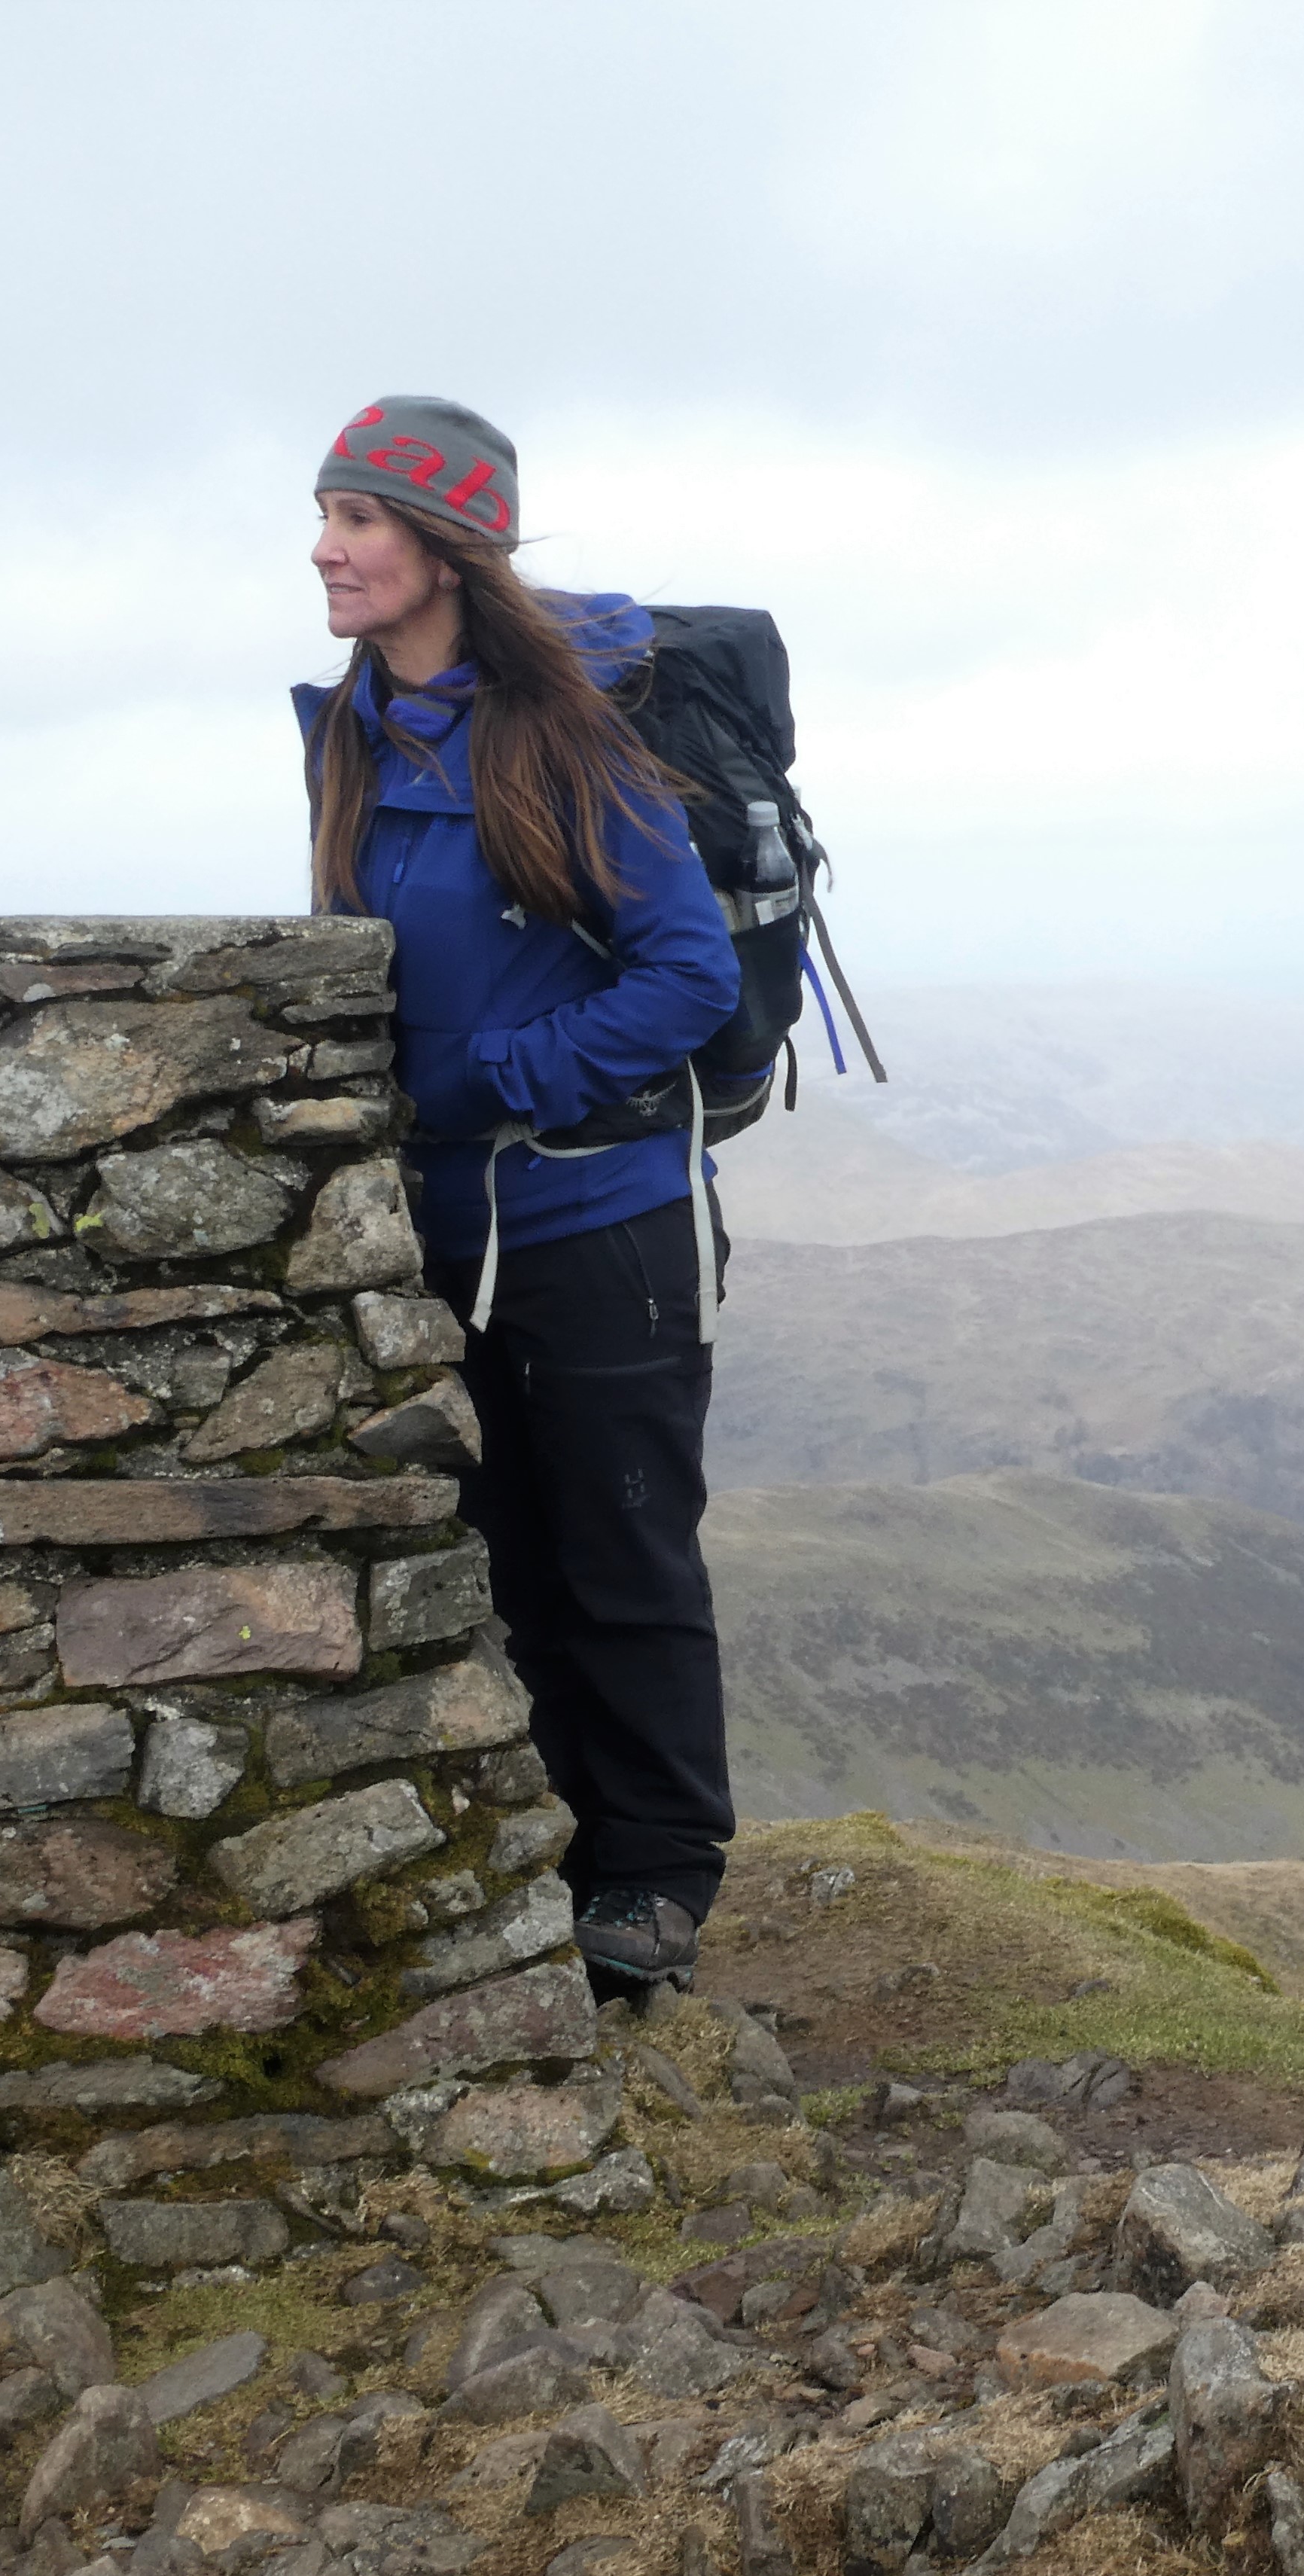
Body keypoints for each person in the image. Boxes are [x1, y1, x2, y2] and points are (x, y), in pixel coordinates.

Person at [294, 394, 741, 2000]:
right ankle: (558, 1855)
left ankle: (660, 1879)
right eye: (327, 514)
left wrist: (501, 1077)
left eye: (359, 518)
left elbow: (684, 976)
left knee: (625, 1558)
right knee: (507, 1562)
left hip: (597, 1218)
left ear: (446, 546)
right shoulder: (352, 729)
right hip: (444, 1234)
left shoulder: (563, 739)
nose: (328, 547)